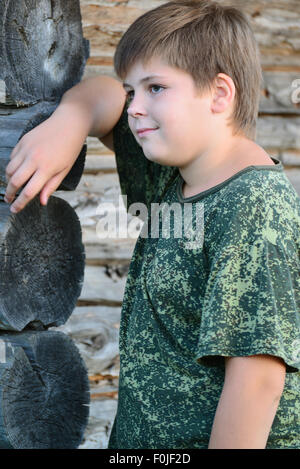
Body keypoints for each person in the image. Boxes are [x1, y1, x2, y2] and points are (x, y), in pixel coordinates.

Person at [4, 0, 300, 449]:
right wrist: (70, 120)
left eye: (156, 87)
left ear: (220, 94)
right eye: (133, 91)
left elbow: (257, 381)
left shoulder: (253, 207)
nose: (134, 108)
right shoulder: (175, 171)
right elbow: (103, 94)